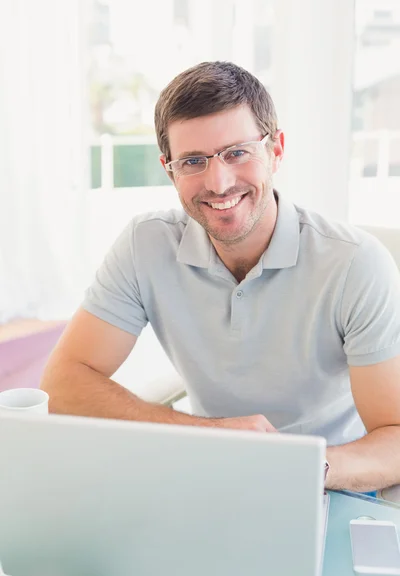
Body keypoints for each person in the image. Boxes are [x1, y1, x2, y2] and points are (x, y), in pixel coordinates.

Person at [41, 61, 400, 493]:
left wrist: (297, 467)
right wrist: (208, 437)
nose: (219, 181)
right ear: (169, 169)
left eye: (237, 152)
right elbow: (62, 384)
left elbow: (394, 437)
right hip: (206, 477)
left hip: (325, 486)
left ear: (276, 150)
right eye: (193, 161)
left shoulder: (355, 264)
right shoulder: (145, 244)